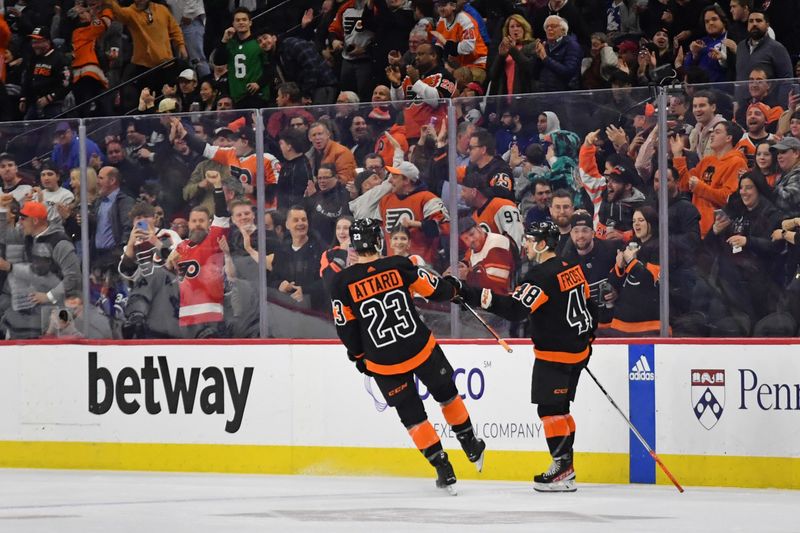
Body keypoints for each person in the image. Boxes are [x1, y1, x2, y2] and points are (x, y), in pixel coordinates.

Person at [329, 218, 485, 494]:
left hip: (383, 361)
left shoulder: (341, 282)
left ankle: (443, 468)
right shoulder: (399, 265)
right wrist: (453, 290)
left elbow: (346, 327)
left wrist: (359, 356)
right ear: (379, 240)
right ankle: (470, 444)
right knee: (447, 395)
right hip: (419, 347)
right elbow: (434, 289)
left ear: (354, 245)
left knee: (413, 417)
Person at [451, 220, 596, 492]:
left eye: (530, 240)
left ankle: (563, 470)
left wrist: (467, 292)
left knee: (551, 410)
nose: (527, 245)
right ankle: (566, 467)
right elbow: (589, 305)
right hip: (578, 351)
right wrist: (587, 339)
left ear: (542, 245)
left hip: (555, 355)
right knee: (561, 408)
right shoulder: (571, 268)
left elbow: (516, 309)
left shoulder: (540, 276)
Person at [166, 170, 229, 338]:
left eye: (202, 221)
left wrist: (217, 186)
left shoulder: (213, 241)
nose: (198, 225)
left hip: (212, 315)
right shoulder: (181, 247)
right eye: (194, 221)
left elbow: (222, 214)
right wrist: (168, 263)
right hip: (183, 316)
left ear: (209, 223)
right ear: (188, 224)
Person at [214, 8, 271, 109]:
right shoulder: (230, 44)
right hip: (237, 96)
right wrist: (224, 40)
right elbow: (218, 61)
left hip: (257, 95)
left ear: (250, 23)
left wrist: (259, 83)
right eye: (238, 20)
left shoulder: (258, 43)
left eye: (244, 19)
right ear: (233, 24)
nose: (241, 22)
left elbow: (269, 67)